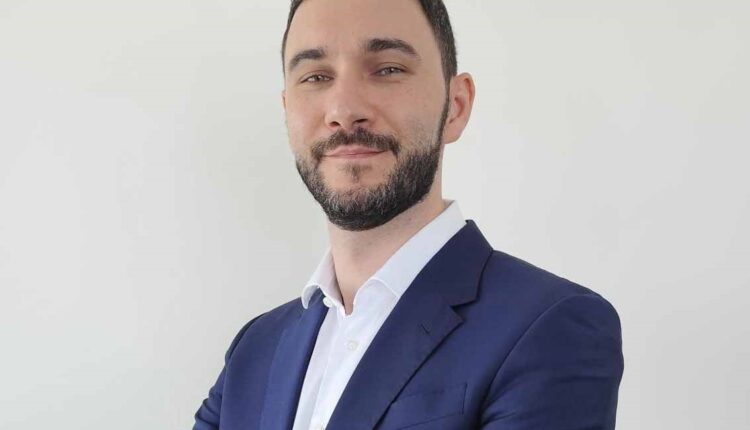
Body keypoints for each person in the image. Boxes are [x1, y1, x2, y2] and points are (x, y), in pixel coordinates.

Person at [193, 0, 624, 428]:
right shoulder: (255, 350)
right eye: (316, 77)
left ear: (455, 106)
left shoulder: (550, 326)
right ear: (288, 110)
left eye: (387, 69)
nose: (343, 111)